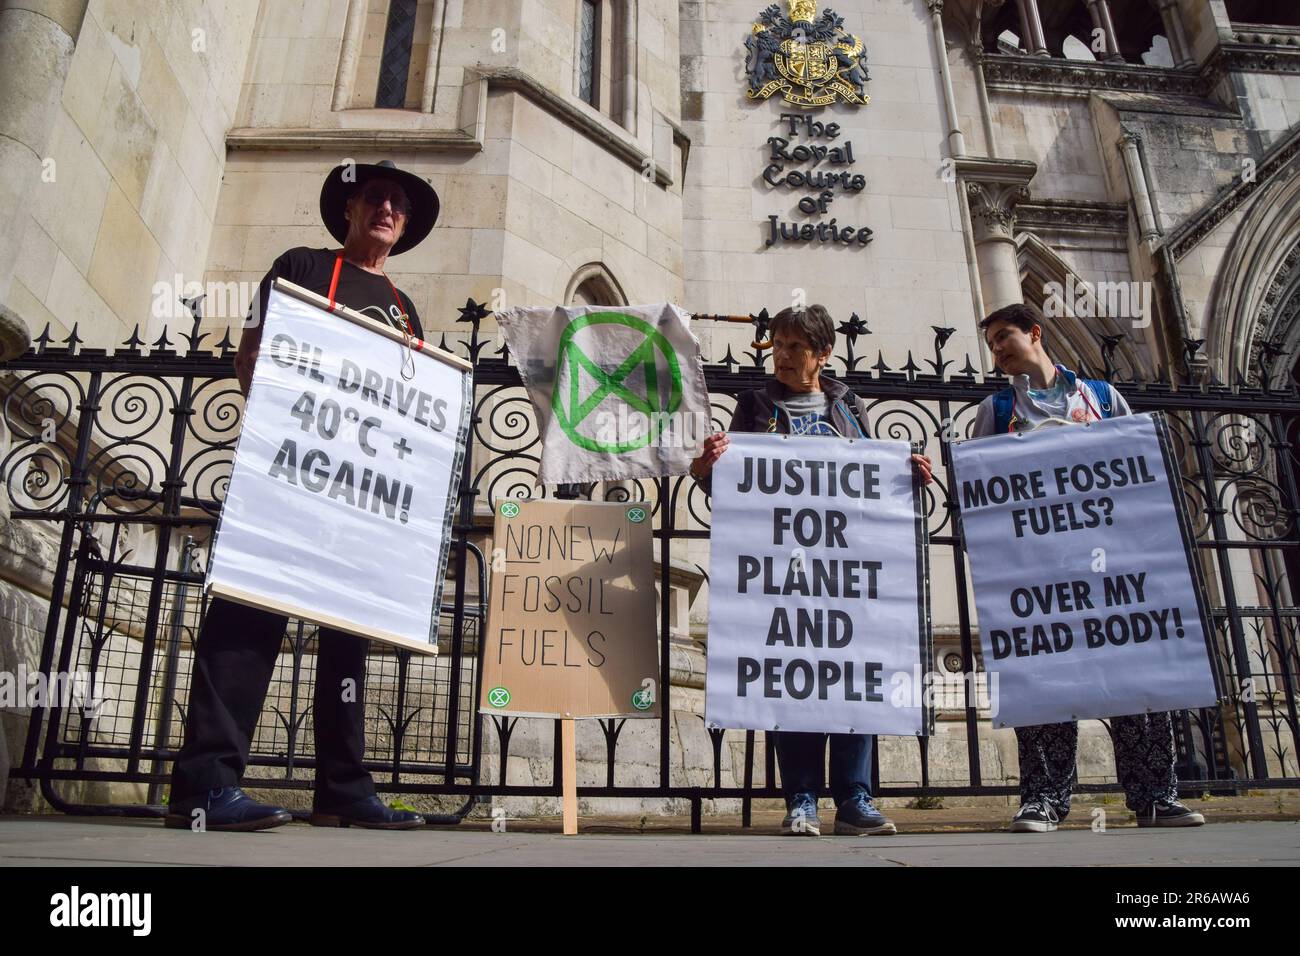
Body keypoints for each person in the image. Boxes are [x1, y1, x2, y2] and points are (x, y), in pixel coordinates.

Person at [165, 160, 440, 832]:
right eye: (375, 197)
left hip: (361, 496)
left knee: (348, 637)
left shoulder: (407, 312)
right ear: (349, 209)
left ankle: (343, 789)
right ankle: (206, 783)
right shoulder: (302, 267)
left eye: (398, 205)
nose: (387, 209)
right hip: (289, 476)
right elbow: (251, 358)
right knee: (250, 616)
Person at [690, 304, 933, 836]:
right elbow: (726, 484)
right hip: (783, 575)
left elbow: (873, 486)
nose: (782, 355)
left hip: (845, 578)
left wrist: (906, 476)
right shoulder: (754, 406)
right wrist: (706, 466)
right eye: (777, 344)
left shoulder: (848, 408)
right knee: (791, 679)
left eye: (795, 346)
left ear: (823, 353)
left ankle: (854, 799)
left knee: (852, 678)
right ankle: (801, 798)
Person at [970, 302, 1205, 832]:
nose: (998, 350)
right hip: (1039, 570)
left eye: (1003, 337)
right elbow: (980, 491)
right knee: (1045, 680)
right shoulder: (997, 409)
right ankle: (1045, 799)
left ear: (1034, 333)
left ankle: (1153, 796)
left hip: (1112, 566)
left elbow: (1137, 469)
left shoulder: (1100, 397)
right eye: (991, 344)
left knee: (1135, 674)